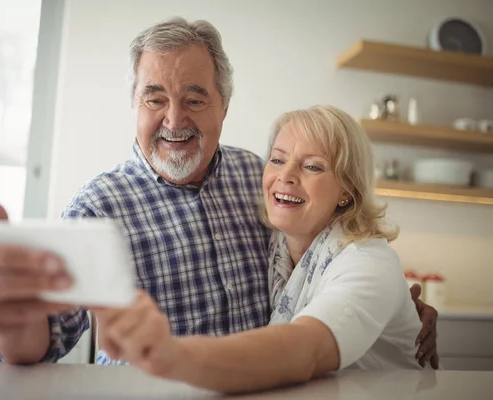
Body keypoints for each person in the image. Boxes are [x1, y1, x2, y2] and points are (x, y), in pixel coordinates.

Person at [0, 17, 439, 368]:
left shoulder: (261, 178)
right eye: (155, 98)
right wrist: (9, 319)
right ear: (134, 103)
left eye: (194, 98)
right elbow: (42, 342)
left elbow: (334, 256)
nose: (173, 119)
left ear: (223, 106)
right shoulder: (97, 208)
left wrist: (395, 314)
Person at [92, 105, 430, 394]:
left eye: (312, 166)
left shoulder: (368, 261)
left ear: (348, 190)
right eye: (278, 160)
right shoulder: (275, 245)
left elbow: (305, 349)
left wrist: (172, 355)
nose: (286, 177)